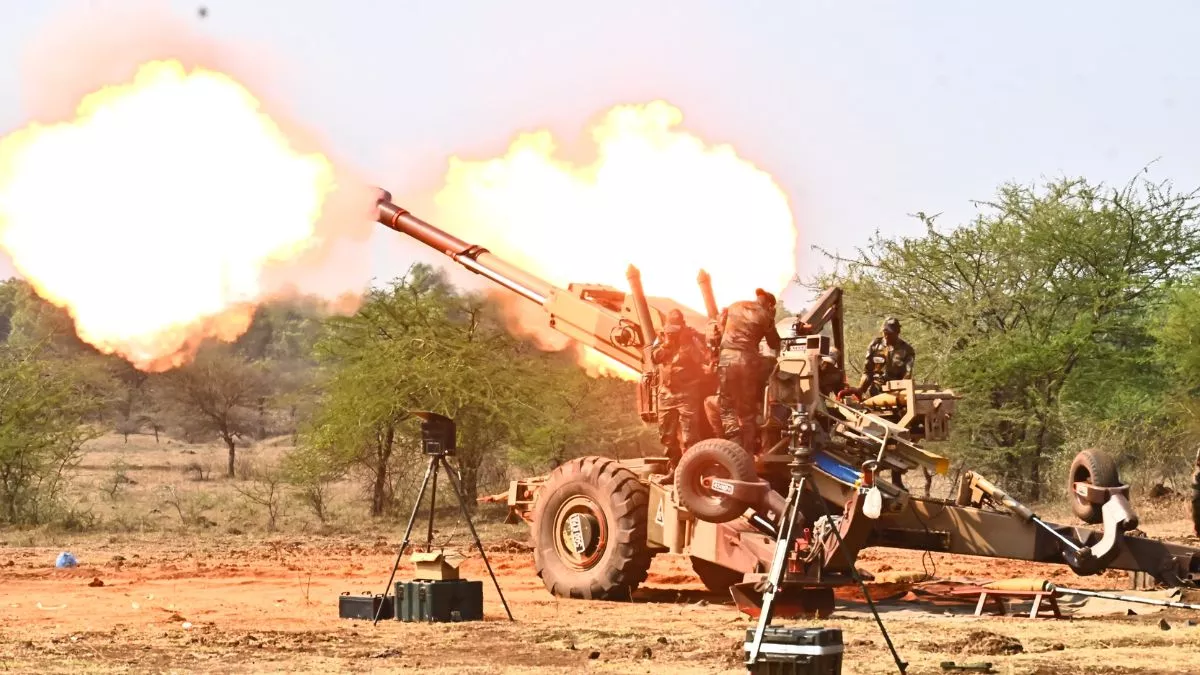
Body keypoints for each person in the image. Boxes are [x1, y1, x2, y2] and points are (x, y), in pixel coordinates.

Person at [713, 289, 781, 453]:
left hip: (727, 359)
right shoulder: (765, 314)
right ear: (770, 304)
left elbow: (719, 329)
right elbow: (774, 343)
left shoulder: (734, 306)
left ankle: (733, 447)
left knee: (727, 407)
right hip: (748, 362)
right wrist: (770, 317)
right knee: (748, 413)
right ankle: (747, 453)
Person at [651, 309, 711, 481]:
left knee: (690, 437)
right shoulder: (662, 338)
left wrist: (687, 343)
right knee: (667, 437)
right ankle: (675, 470)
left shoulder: (691, 338)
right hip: (666, 394)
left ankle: (694, 473)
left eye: (676, 328)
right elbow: (654, 358)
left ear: (682, 325)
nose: (673, 332)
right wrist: (667, 343)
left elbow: (702, 359)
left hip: (687, 393)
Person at [854, 317, 915, 406]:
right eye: (884, 332)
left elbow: (907, 375)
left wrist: (898, 394)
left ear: (897, 332)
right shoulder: (875, 345)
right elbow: (867, 371)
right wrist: (860, 389)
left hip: (895, 394)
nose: (886, 336)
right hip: (874, 392)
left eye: (889, 333)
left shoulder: (907, 350)